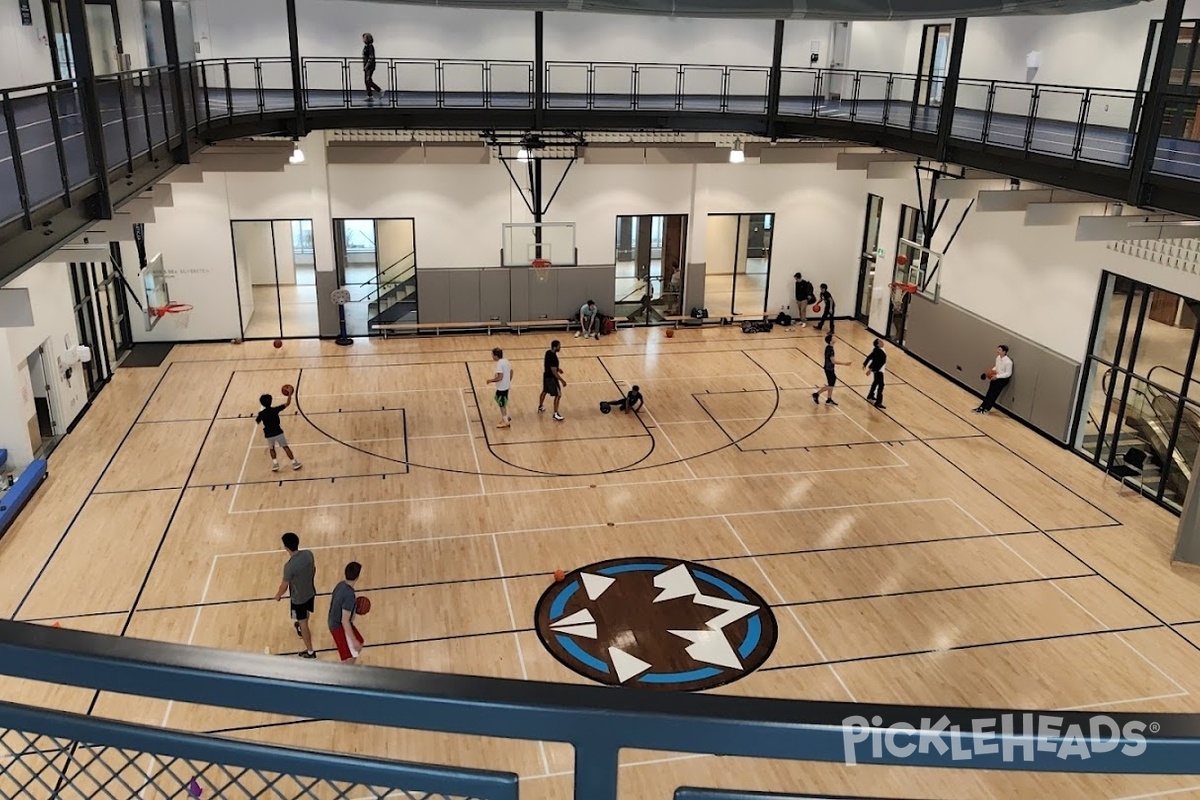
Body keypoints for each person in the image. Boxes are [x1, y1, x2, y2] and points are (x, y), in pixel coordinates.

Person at [273, 532, 316, 658]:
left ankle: (310, 652)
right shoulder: (308, 554)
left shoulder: (289, 567)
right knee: (305, 615)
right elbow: (314, 570)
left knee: (303, 624)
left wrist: (278, 596)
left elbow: (284, 586)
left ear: (286, 547)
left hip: (299, 599)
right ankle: (301, 625)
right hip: (310, 592)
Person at [256, 393, 302, 472]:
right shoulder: (275, 410)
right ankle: (294, 463)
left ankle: (275, 464)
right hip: (278, 432)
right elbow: (287, 403)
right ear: (271, 401)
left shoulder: (262, 413)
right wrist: (290, 394)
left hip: (268, 434)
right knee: (285, 447)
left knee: (271, 448)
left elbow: (257, 421)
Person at [329, 561, 364, 664]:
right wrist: (353, 640)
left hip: (334, 620)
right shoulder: (349, 595)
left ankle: (347, 669)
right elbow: (344, 621)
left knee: (359, 643)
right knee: (352, 653)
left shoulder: (340, 585)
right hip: (338, 626)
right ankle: (346, 673)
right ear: (357, 577)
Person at [975, 345, 1014, 414]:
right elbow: (996, 367)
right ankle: (982, 406)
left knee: (994, 394)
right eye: (997, 349)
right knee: (989, 392)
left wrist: (998, 376)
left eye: (999, 350)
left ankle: (986, 409)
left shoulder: (1008, 362)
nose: (997, 351)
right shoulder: (998, 358)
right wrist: (987, 373)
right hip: (995, 377)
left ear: (1004, 352)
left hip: (1002, 380)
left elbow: (1008, 373)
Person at [813, 334, 850, 406]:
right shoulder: (830, 349)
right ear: (830, 341)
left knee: (831, 384)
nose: (835, 338)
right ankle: (816, 394)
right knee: (830, 385)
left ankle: (829, 399)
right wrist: (844, 363)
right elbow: (833, 361)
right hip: (829, 368)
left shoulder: (828, 347)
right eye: (833, 338)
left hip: (829, 368)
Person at [538, 340, 566, 421]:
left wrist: (558, 369)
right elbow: (553, 371)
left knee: (544, 391)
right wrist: (562, 380)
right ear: (555, 347)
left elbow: (549, 365)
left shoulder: (548, 353)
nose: (560, 347)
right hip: (551, 378)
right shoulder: (554, 357)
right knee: (558, 394)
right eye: (559, 346)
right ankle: (556, 413)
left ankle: (540, 406)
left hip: (546, 375)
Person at [486, 347, 513, 428]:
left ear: (496, 356)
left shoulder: (499, 364)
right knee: (499, 400)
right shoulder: (506, 361)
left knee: (501, 404)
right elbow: (511, 371)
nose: (492, 356)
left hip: (501, 388)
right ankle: (505, 417)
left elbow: (500, 377)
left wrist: (491, 380)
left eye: (492, 355)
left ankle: (506, 422)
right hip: (506, 386)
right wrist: (508, 381)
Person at [863, 339, 887, 409]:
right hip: (878, 370)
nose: (882, 342)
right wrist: (870, 369)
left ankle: (870, 395)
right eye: (880, 341)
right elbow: (875, 361)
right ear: (878, 344)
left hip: (878, 370)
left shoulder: (877, 350)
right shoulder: (879, 351)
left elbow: (869, 357)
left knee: (875, 382)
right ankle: (878, 402)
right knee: (881, 385)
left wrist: (865, 364)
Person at [362, 33, 382, 100]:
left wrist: (367, 65)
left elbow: (371, 57)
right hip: (366, 65)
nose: (363, 39)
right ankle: (369, 95)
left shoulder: (370, 46)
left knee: (368, 80)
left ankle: (379, 90)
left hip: (370, 66)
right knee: (366, 80)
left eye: (364, 38)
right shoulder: (366, 46)